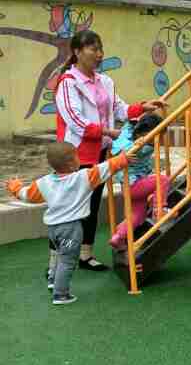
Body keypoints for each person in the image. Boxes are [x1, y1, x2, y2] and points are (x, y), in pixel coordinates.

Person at [54, 30, 164, 274]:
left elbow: (119, 108)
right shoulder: (68, 83)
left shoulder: (104, 81)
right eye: (93, 49)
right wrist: (107, 132)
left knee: (92, 205)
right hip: (75, 154)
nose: (99, 54)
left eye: (100, 49)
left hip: (100, 151)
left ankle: (86, 254)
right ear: (77, 52)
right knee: (71, 207)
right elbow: (75, 121)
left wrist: (142, 107)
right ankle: (57, 260)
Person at [5, 141, 132, 305]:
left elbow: (26, 194)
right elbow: (105, 168)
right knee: (68, 261)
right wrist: (123, 158)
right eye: (77, 156)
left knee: (60, 255)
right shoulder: (82, 177)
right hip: (71, 229)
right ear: (72, 163)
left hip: (53, 229)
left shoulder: (43, 182)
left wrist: (14, 187)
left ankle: (53, 280)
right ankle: (60, 294)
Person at [109, 112, 170, 250]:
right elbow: (131, 150)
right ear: (146, 133)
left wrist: (132, 123)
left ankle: (118, 236)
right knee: (162, 180)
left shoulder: (127, 135)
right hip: (135, 185)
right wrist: (138, 144)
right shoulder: (144, 147)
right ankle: (159, 210)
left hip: (127, 187)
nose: (158, 140)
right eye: (157, 136)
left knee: (137, 215)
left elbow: (125, 133)